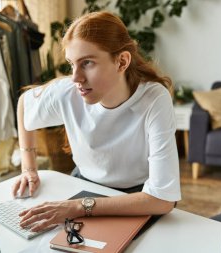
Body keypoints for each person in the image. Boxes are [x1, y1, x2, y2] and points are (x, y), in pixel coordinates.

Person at [12, 11, 181, 232]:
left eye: (87, 63)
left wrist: (79, 207)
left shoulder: (154, 100)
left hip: (136, 197)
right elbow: (25, 103)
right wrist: (28, 167)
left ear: (121, 62)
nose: (75, 77)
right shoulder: (69, 92)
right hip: (82, 185)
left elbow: (162, 199)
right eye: (72, 64)